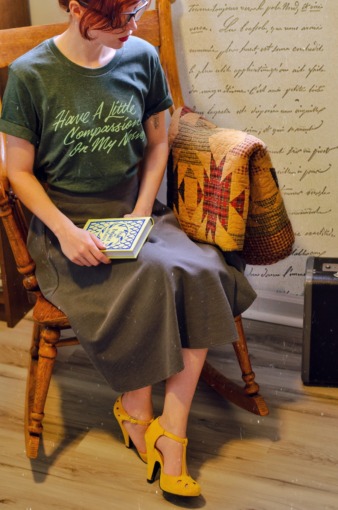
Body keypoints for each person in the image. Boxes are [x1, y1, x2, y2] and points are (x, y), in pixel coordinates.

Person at [0, 0, 256, 498]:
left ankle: (170, 429)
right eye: (117, 19)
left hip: (135, 211)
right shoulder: (31, 75)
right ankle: (135, 409)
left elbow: (158, 142)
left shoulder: (141, 57)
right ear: (77, 8)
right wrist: (68, 234)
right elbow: (19, 173)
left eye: (135, 13)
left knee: (204, 269)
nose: (131, 28)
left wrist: (142, 209)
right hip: (67, 229)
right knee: (154, 276)